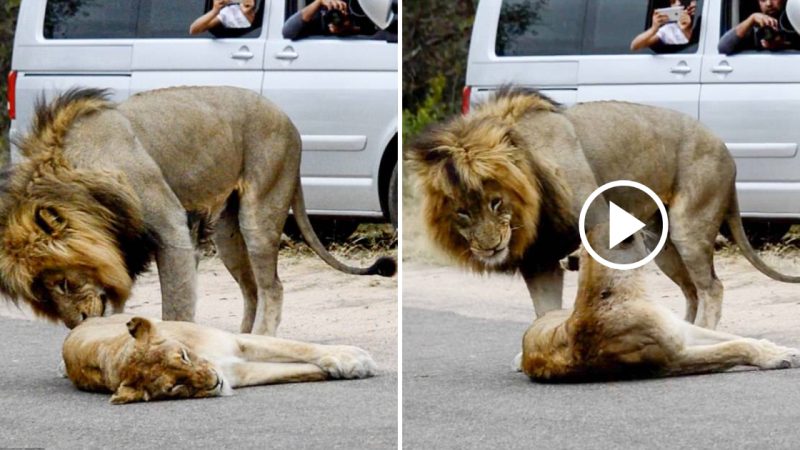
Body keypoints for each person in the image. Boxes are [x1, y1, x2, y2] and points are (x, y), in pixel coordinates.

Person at [718, 0, 800, 54]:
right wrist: (751, 19)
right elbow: (723, 47)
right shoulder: (753, 27)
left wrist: (784, 45)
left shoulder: (795, 19)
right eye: (763, 0)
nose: (769, 3)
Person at [282, 0, 375, 39]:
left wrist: (350, 29)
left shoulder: (360, 5)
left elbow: (380, 32)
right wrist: (318, 2)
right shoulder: (320, 10)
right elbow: (288, 32)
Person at [631, 1, 697, 51]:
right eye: (673, 1)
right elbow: (635, 46)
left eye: (684, 1)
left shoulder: (703, 25)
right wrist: (653, 29)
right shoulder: (669, 29)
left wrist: (686, 29)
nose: (678, 3)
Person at [189, 0, 257, 35]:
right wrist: (214, 11)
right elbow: (194, 30)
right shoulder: (230, 12)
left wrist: (248, 14)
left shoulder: (265, 9)